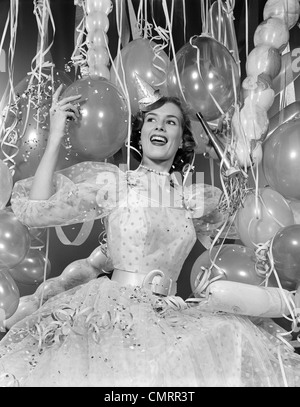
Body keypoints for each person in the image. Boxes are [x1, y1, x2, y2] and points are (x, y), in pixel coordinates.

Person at [0, 80, 300, 388]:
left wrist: (266, 256)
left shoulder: (191, 198)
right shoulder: (117, 184)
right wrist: (55, 138)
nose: (159, 127)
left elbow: (250, 221)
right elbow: (35, 212)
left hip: (170, 315)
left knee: (234, 335)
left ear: (181, 139)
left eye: (170, 122)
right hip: (114, 315)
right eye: (152, 120)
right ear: (141, 134)